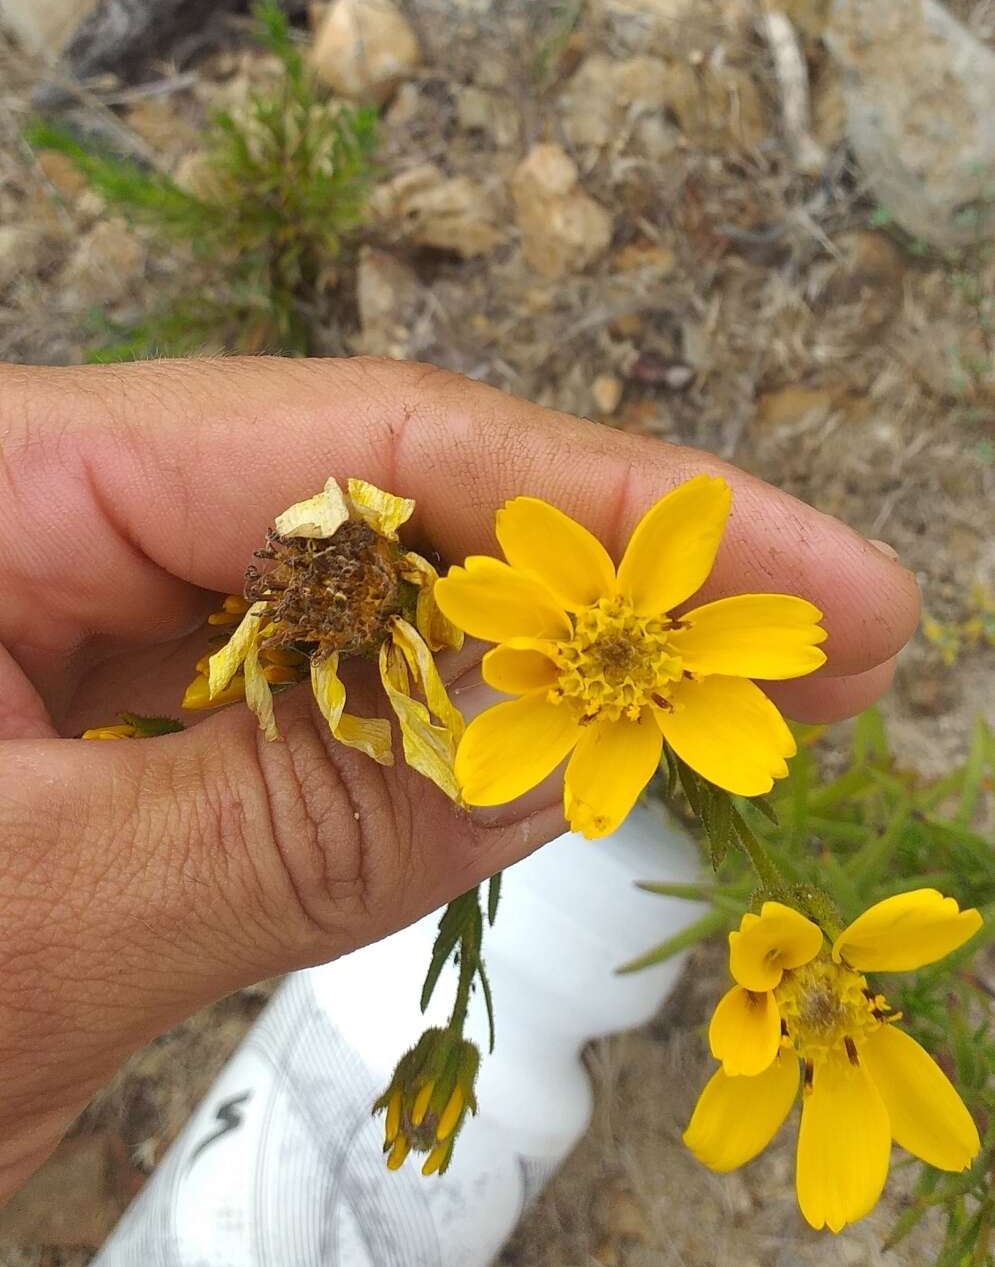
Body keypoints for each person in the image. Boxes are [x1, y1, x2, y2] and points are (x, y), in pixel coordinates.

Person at [0, 356, 920, 1208]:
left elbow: (713, 689)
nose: (821, 1004)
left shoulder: (669, 696)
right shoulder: (531, 637)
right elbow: (495, 616)